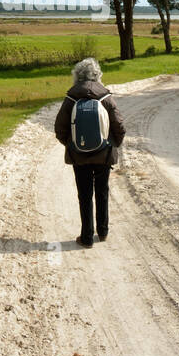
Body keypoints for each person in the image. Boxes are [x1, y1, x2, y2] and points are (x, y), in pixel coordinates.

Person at [54, 57, 125, 248]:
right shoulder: (106, 96)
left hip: (79, 156)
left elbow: (59, 128)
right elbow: (120, 126)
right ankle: (103, 232)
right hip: (104, 154)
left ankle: (86, 237)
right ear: (98, 75)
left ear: (77, 76)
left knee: (84, 194)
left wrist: (72, 145)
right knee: (102, 191)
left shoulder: (71, 97)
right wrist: (112, 145)